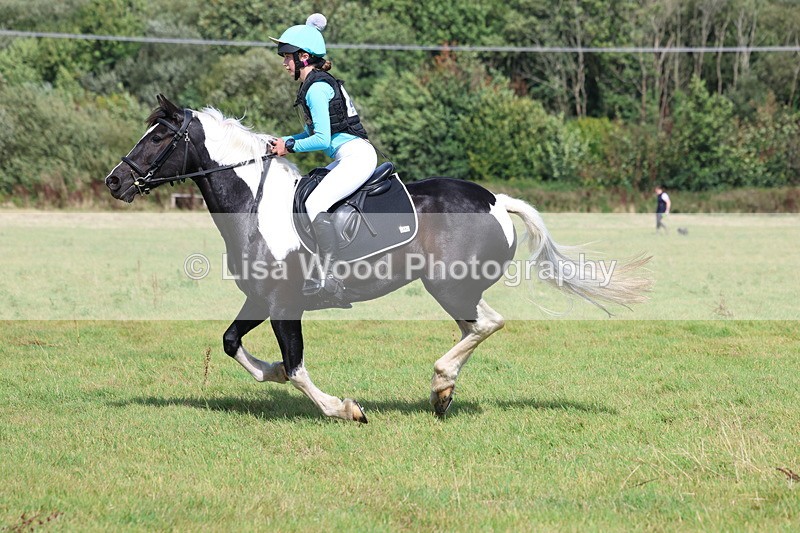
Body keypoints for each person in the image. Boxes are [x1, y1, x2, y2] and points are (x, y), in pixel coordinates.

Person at [269, 14, 377, 305]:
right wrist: (281, 140)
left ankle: (331, 277)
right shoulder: (314, 84)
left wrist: (289, 146)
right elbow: (310, 133)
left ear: (303, 57)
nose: (284, 63)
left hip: (356, 157)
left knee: (315, 203)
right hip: (348, 156)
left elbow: (321, 139)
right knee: (306, 193)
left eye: (287, 56)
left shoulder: (316, 88)